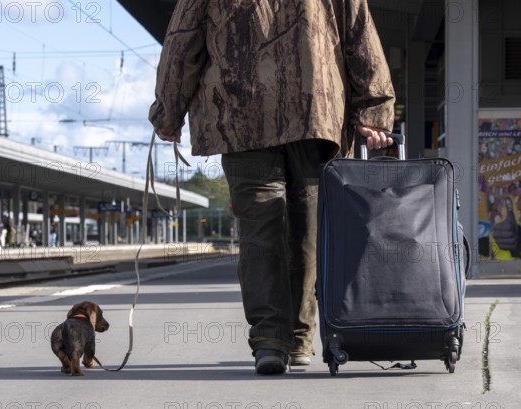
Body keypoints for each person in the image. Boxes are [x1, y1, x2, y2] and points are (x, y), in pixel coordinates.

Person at [149, 0, 395, 375]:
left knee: (260, 230)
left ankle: (270, 341)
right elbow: (359, 33)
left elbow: (183, 42)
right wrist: (373, 107)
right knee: (308, 230)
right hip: (317, 109)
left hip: (240, 115)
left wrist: (169, 111)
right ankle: (297, 339)